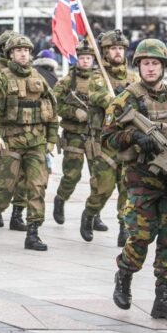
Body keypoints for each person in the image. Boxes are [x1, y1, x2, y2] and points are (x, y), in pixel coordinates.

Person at [106, 38, 167, 322]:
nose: (150, 68)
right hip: (141, 179)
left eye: (155, 63)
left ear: (163, 66)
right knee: (140, 236)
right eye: (145, 64)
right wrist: (134, 136)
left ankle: (163, 299)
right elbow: (107, 138)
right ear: (138, 66)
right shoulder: (127, 99)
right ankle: (124, 274)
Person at [0, 35, 59, 250]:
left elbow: (52, 110)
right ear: (11, 54)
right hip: (11, 141)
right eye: (18, 50)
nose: (23, 54)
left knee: (37, 187)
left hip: (36, 141)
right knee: (5, 187)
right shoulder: (2, 79)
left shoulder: (39, 77)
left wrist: (52, 139)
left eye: (26, 50)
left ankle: (33, 233)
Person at [82, 30, 140, 245]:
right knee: (103, 188)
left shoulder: (134, 78)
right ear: (104, 52)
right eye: (113, 49)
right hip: (105, 141)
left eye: (120, 48)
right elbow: (100, 97)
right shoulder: (98, 78)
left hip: (127, 140)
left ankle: (124, 227)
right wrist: (120, 100)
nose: (117, 52)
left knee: (127, 187)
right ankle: (90, 213)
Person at [52, 40, 105, 231]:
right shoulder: (67, 81)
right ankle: (60, 199)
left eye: (88, 58)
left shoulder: (101, 80)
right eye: (82, 58)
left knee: (98, 177)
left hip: (95, 135)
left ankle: (94, 214)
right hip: (74, 134)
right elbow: (54, 104)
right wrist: (74, 112)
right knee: (72, 175)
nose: (85, 61)